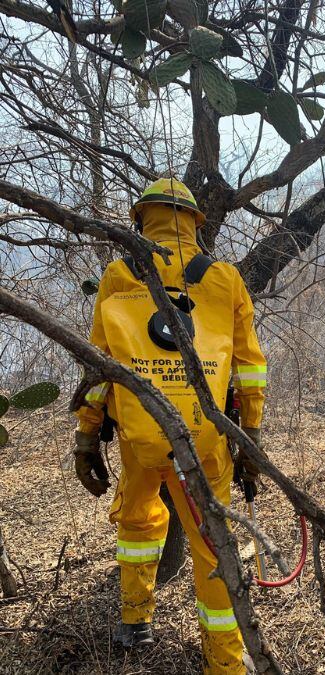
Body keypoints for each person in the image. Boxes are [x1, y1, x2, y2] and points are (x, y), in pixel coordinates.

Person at [72, 178, 267, 674]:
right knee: (211, 543)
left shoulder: (119, 274)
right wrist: (251, 438)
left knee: (138, 522)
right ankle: (224, 663)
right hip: (207, 439)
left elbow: (99, 365)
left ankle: (134, 620)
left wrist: (87, 435)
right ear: (196, 224)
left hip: (140, 434)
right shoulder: (222, 278)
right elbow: (249, 368)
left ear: (142, 219)